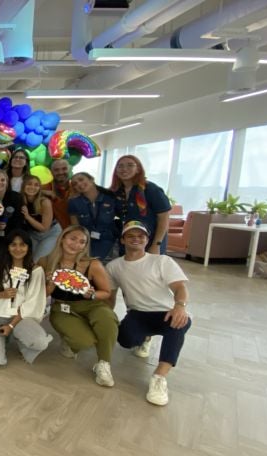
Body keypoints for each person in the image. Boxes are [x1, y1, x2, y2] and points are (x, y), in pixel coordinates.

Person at [107, 221, 192, 406]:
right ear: (123, 240)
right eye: (130, 235)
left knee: (180, 323)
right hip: (137, 313)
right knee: (126, 340)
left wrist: (180, 306)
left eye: (141, 236)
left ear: (147, 240)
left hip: (165, 312)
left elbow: (180, 287)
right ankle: (145, 338)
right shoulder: (114, 266)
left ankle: (159, 378)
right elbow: (110, 296)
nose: (136, 239)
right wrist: (107, 317)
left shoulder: (161, 261)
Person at [39, 225, 118, 387]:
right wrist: (50, 284)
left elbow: (106, 292)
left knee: (108, 320)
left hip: (91, 305)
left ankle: (104, 364)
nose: (76, 244)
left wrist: (93, 294)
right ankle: (71, 339)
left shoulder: (92, 264)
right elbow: (39, 295)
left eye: (82, 242)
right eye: (72, 238)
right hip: (62, 308)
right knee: (85, 341)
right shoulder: (45, 261)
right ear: (62, 238)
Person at [0, 229, 53, 367]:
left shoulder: (36, 271)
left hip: (19, 317)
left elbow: (32, 303)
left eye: (22, 245)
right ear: (8, 247)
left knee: (40, 341)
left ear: (28, 247)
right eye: (13, 245)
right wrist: (1, 294)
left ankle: (17, 337)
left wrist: (11, 325)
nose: (18, 249)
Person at [110, 155, 171, 255]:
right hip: (127, 241)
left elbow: (164, 218)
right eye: (120, 166)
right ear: (116, 171)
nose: (124, 169)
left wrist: (157, 244)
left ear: (138, 169)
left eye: (130, 165)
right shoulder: (116, 192)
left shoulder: (150, 189)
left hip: (150, 241)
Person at [68, 172, 118, 262]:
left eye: (81, 179)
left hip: (109, 242)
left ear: (91, 179)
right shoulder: (74, 202)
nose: (79, 184)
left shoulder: (110, 198)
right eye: (75, 184)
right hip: (87, 243)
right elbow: (75, 228)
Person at [0, 169, 27, 259]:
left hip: (13, 238)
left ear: (7, 182)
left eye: (2, 180)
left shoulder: (16, 197)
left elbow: (19, 222)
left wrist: (7, 228)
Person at [22, 174, 61, 260]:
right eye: (29, 184)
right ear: (23, 186)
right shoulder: (20, 199)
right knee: (28, 259)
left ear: (39, 188)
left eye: (36, 185)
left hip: (50, 233)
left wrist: (28, 217)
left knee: (37, 260)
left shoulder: (44, 202)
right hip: (33, 233)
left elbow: (44, 228)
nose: (32, 187)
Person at [42, 159, 73, 228]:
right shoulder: (45, 188)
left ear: (69, 169)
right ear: (51, 172)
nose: (60, 172)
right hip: (50, 233)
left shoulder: (76, 188)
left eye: (64, 169)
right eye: (56, 170)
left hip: (72, 231)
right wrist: (42, 192)